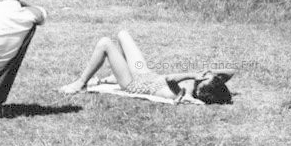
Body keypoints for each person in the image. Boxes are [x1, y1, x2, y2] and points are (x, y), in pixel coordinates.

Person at [59, 30, 234, 105]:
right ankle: (115, 75)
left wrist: (195, 74)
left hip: (132, 83)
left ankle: (80, 83)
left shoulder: (182, 93)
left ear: (202, 85)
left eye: (205, 77)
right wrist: (210, 75)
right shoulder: (194, 86)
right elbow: (232, 72)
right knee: (122, 34)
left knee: (105, 43)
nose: (204, 74)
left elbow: (169, 79)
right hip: (143, 72)